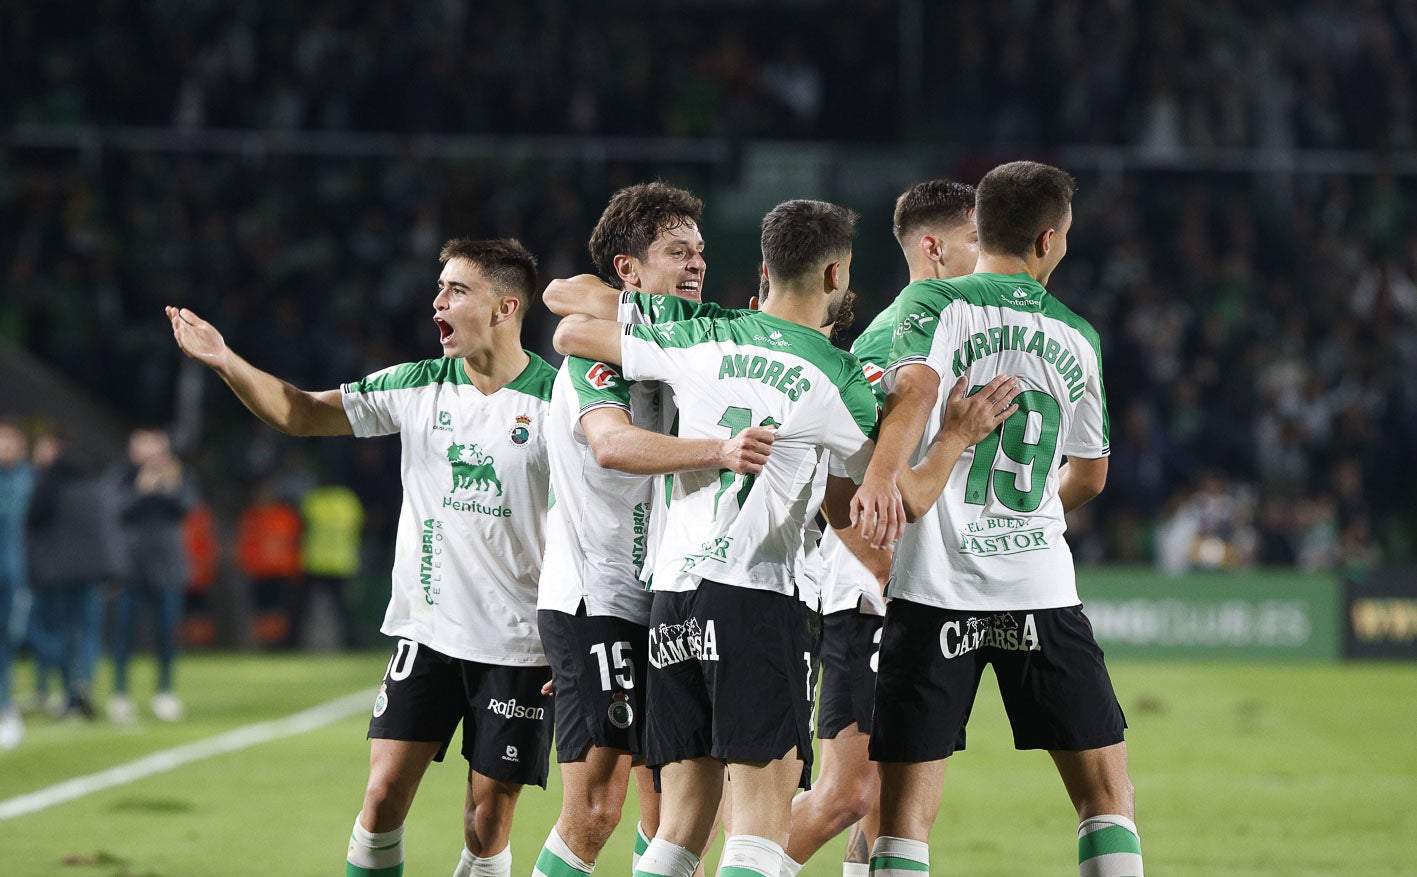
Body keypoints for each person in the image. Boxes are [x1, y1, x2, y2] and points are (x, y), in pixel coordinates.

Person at [554, 199, 1011, 877]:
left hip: (673, 600)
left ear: (764, 269)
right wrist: (952, 436)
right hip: (755, 597)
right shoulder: (839, 379)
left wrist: (639, 315)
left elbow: (567, 334)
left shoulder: (701, 332)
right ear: (834, 276)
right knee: (757, 835)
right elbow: (900, 499)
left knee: (677, 833)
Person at [168, 238, 556, 877]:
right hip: (427, 632)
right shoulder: (418, 384)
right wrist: (224, 360)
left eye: (457, 290)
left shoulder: (558, 400)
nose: (438, 300)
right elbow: (300, 414)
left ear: (505, 307)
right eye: (440, 287)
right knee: (379, 800)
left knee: (486, 824)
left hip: (519, 644)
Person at [852, 161, 1142, 877]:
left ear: (979, 228)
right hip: (1038, 587)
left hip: (932, 589)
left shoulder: (932, 309)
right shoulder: (1077, 335)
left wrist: (900, 479)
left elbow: (909, 387)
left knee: (901, 819)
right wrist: (1033, 510)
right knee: (1106, 797)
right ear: (1047, 239)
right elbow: (1092, 474)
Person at [536, 182, 774, 877]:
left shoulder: (689, 355)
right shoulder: (597, 354)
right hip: (594, 596)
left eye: (699, 251)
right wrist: (718, 450)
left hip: (660, 596)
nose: (696, 264)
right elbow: (611, 442)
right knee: (596, 808)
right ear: (628, 272)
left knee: (672, 803)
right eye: (677, 252)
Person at [785, 179, 981, 877]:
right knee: (847, 793)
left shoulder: (942, 334)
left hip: (910, 590)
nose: (990, 259)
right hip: (867, 589)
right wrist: (955, 437)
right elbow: (880, 491)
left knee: (888, 812)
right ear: (931, 249)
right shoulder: (899, 336)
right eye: (976, 243)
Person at [25, 426, 122, 719]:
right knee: (88, 632)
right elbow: (105, 528)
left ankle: (69, 688)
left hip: (55, 573)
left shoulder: (48, 481)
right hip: (91, 571)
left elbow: (33, 522)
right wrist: (111, 568)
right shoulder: (93, 479)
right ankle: (83, 685)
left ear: (54, 448)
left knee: (48, 633)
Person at [109, 427, 200, 724]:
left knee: (167, 633)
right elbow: (113, 510)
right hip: (131, 567)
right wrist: (142, 489)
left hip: (168, 567)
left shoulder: (177, 475)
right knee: (124, 634)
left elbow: (189, 507)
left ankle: (165, 691)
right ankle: (120, 693)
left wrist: (171, 484)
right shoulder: (121, 476)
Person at [289, 482, 363, 650]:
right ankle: (351, 642)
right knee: (343, 609)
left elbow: (301, 527)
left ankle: (292, 642)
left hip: (315, 561)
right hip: (341, 562)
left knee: (302, 607)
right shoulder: (348, 501)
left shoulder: (313, 500)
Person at [0, 418, 35, 747]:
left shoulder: (30, 479)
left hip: (19, 573)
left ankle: (7, 705)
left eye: (9, 442)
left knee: (11, 639)